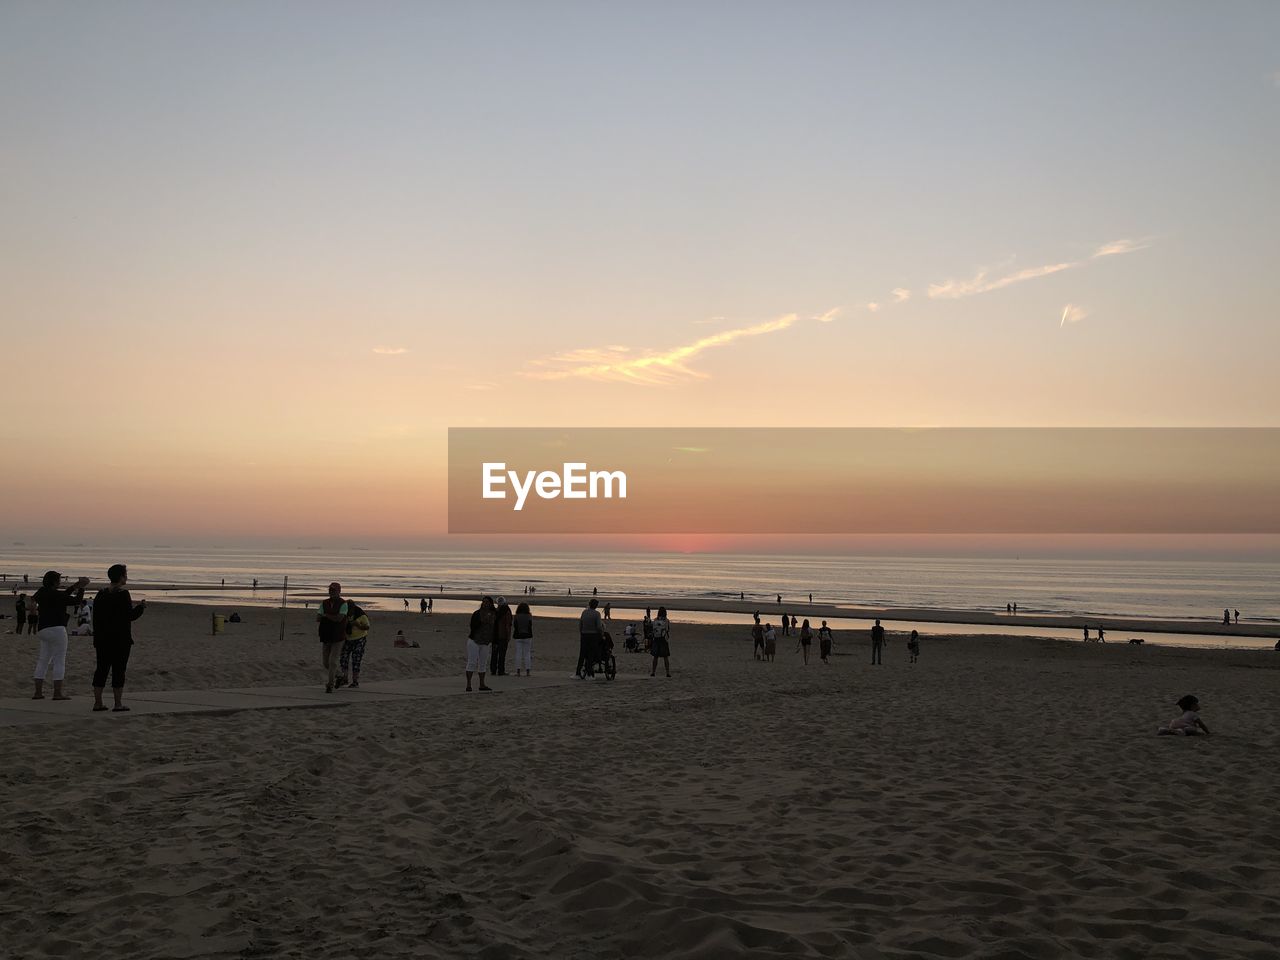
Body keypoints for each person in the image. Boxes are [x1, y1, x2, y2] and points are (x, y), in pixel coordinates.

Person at [91, 563, 146, 712]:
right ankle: (117, 703)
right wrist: (141, 608)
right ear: (121, 577)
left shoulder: (101, 594)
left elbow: (95, 617)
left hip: (102, 639)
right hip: (120, 639)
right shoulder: (123, 594)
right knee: (119, 670)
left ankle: (98, 702)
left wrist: (97, 637)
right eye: (125, 575)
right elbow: (130, 616)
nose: (126, 577)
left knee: (101, 669)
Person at [31, 571, 90, 700]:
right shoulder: (56, 595)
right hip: (57, 628)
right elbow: (76, 601)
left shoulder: (42, 592)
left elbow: (62, 595)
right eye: (59, 580)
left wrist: (76, 585)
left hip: (43, 629)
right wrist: (82, 588)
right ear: (54, 582)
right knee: (59, 660)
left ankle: (38, 692)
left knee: (43, 660)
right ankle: (57, 693)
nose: (60, 582)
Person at [316, 582, 349, 693]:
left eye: (334, 590)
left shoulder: (343, 604)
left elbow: (339, 618)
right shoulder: (324, 603)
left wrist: (326, 615)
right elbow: (318, 617)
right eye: (330, 590)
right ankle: (340, 675)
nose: (331, 592)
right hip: (326, 635)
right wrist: (327, 616)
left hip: (338, 636)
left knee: (333, 661)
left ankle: (330, 684)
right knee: (325, 662)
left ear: (339, 591)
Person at [337, 601, 371, 688]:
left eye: (349, 609)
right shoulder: (344, 614)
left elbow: (367, 627)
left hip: (360, 638)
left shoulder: (360, 615)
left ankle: (355, 681)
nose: (348, 611)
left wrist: (357, 625)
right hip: (348, 639)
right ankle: (344, 678)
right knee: (344, 658)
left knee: (356, 659)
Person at [466, 596, 496, 692]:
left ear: (491, 604)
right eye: (484, 602)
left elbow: (495, 629)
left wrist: (494, 640)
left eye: (487, 602)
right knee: (472, 662)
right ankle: (468, 684)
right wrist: (483, 622)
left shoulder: (494, 614)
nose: (485, 604)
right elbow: (472, 626)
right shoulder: (477, 613)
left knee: (483, 663)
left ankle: (482, 684)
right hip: (475, 640)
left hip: (486, 642)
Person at [577, 598, 603, 679]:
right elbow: (599, 626)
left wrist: (581, 632)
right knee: (591, 654)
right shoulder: (597, 614)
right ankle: (589, 674)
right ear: (596, 606)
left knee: (582, 654)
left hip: (584, 634)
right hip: (593, 635)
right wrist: (601, 633)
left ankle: (577, 673)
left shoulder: (584, 612)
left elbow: (580, 624)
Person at [490, 596, 513, 676]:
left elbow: (492, 623)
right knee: (502, 654)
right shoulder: (507, 611)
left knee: (494, 654)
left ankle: (493, 670)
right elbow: (508, 625)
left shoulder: (495, 611)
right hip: (502, 636)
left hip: (495, 636)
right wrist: (508, 635)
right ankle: (501, 670)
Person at [513, 601, 534, 676]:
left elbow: (515, 626)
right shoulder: (529, 616)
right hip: (527, 635)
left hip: (518, 636)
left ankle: (518, 671)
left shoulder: (516, 616)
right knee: (527, 653)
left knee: (518, 653)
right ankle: (528, 671)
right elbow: (530, 625)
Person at [650, 606, 671, 677]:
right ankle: (667, 673)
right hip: (663, 639)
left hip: (656, 639)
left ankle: (653, 672)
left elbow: (653, 629)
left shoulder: (655, 619)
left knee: (655, 657)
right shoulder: (666, 620)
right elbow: (667, 629)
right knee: (665, 657)